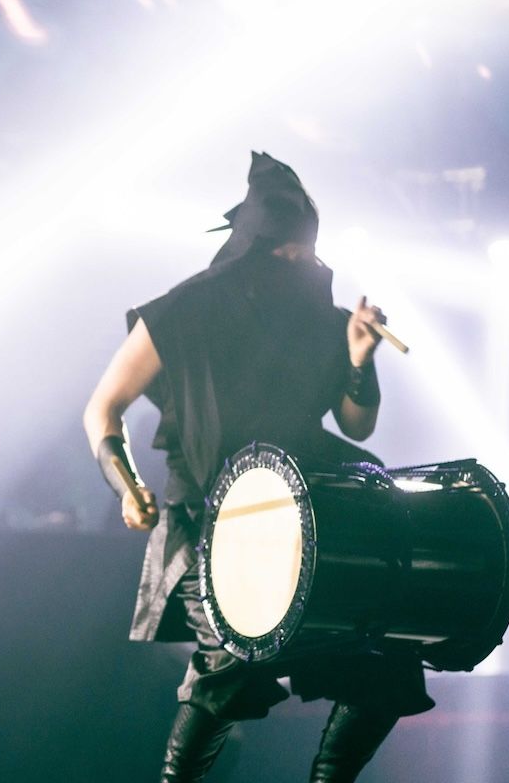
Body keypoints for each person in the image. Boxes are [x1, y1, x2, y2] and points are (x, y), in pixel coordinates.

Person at [82, 152, 433, 782]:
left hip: (307, 515)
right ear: (252, 247)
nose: (297, 264)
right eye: (284, 253)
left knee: (383, 655)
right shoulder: (183, 311)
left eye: (305, 253)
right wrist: (126, 484)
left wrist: (360, 359)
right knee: (232, 661)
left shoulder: (325, 322)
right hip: (209, 516)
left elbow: (356, 426)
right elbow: (103, 407)